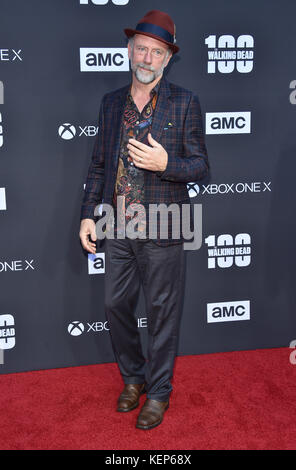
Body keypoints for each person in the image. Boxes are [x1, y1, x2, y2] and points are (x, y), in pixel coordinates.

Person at [79, 10, 209, 430]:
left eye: (156, 52)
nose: (147, 58)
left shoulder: (186, 102)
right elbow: (99, 165)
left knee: (163, 314)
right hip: (117, 224)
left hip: (165, 225)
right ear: (129, 50)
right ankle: (133, 378)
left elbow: (200, 168)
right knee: (115, 305)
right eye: (141, 49)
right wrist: (87, 216)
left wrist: (166, 162)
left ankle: (158, 393)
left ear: (167, 58)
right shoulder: (111, 103)